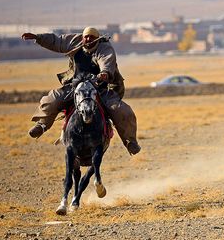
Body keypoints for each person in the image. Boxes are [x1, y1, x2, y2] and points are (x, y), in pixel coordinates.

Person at [22, 27, 141, 155]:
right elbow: (57, 41)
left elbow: (106, 60)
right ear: (82, 37)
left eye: (92, 37)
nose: (88, 39)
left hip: (99, 88)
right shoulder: (75, 41)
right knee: (52, 99)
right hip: (75, 85)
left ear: (98, 39)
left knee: (122, 110)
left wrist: (104, 73)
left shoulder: (104, 47)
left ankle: (130, 142)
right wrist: (38, 37)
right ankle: (42, 125)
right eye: (86, 37)